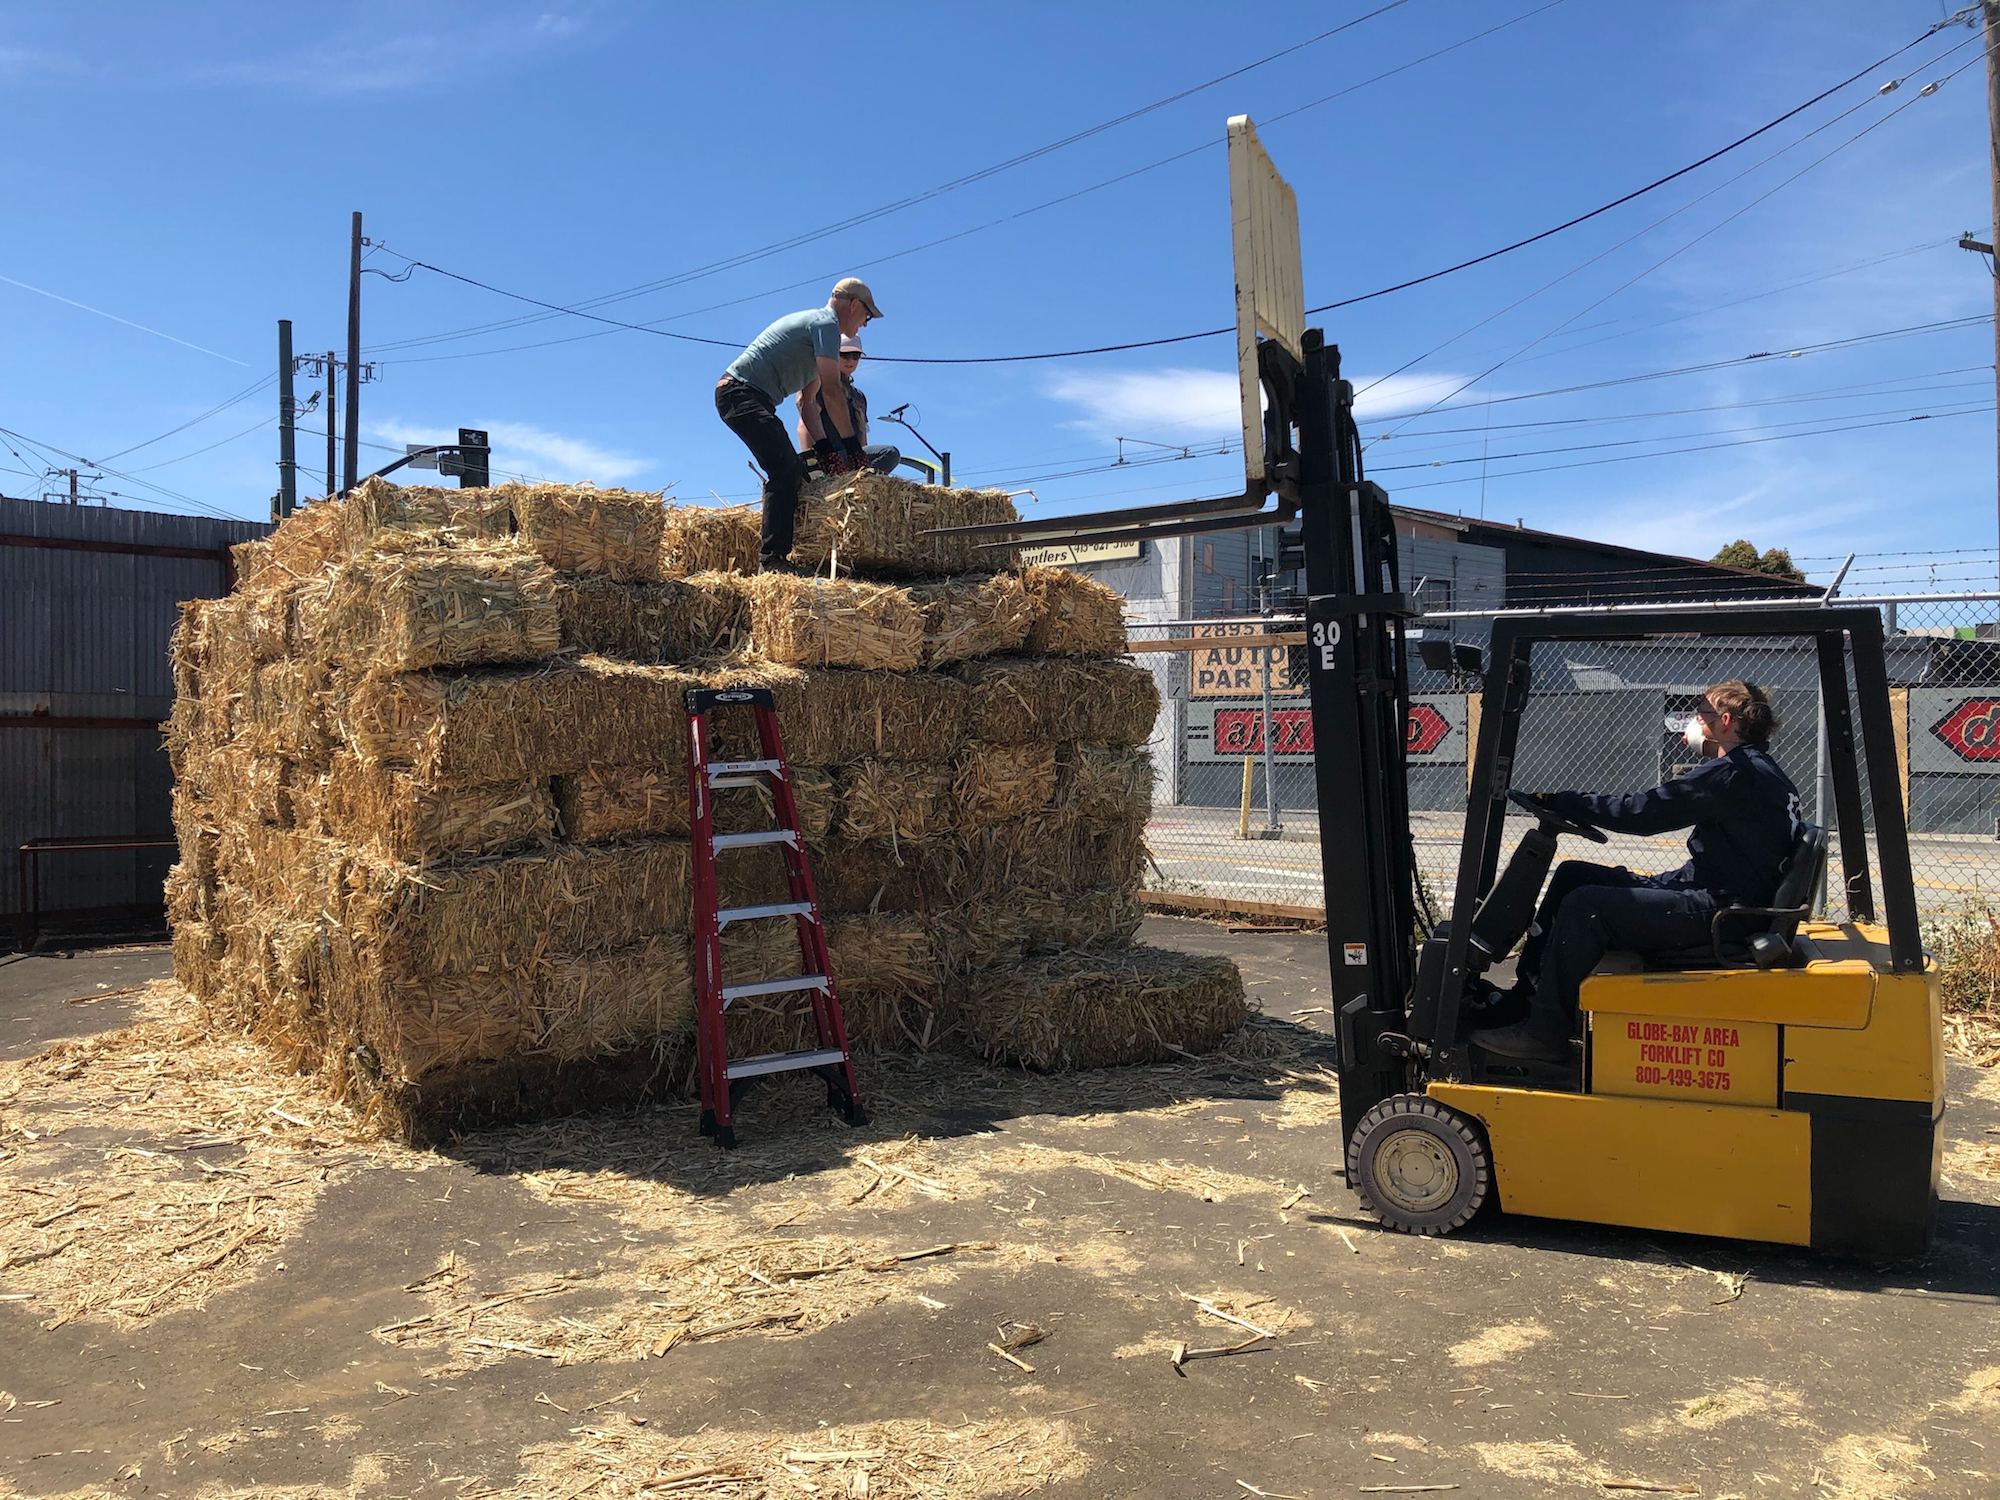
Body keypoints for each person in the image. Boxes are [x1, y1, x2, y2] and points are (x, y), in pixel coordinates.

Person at [1477, 679, 1802, 1063]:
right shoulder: (1757, 771)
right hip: (1716, 892)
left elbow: (1643, 813)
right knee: (1573, 875)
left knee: (1587, 907)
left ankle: (1545, 1033)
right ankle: (1526, 1000)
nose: (1696, 718)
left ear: (1726, 721)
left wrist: (1566, 801)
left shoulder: (1733, 774)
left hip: (1723, 910)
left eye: (1704, 712)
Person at [715, 277, 884, 571]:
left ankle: (778, 555)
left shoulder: (821, 341)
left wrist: (825, 449)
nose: (865, 324)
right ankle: (773, 561)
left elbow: (807, 402)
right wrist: (852, 450)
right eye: (866, 315)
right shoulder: (824, 324)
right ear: (854, 304)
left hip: (749, 398)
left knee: (791, 470)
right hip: (739, 393)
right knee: (785, 469)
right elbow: (832, 393)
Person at [796, 334, 902, 476]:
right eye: (845, 355)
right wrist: (810, 461)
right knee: (889, 452)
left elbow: (862, 432)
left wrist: (860, 458)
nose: (850, 360)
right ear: (834, 355)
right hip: (829, 454)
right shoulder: (819, 385)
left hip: (850, 455)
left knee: (890, 454)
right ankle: (857, 479)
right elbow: (804, 422)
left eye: (855, 356)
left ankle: (863, 482)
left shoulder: (859, 396)